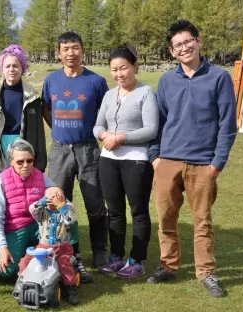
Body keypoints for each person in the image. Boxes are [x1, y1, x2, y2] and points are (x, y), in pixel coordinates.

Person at [147, 20, 237, 297]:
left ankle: (206, 273)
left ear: (198, 41)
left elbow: (227, 125)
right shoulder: (166, 81)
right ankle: (169, 266)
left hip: (202, 164)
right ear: (172, 51)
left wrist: (216, 164)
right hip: (168, 162)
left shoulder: (219, 78)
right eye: (177, 45)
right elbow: (158, 122)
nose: (184, 48)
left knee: (202, 222)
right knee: (166, 220)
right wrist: (155, 157)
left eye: (188, 41)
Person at [41, 31, 109, 275]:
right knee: (59, 202)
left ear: (82, 50)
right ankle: (68, 250)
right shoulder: (51, 81)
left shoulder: (96, 81)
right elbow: (46, 108)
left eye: (75, 48)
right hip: (60, 150)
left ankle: (100, 249)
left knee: (95, 202)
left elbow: (106, 112)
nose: (71, 53)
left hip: (88, 149)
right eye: (66, 48)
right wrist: (60, 130)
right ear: (59, 53)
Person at [93, 46, 158, 279]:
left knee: (138, 211)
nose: (119, 74)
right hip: (108, 160)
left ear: (134, 67)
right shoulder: (109, 95)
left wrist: (121, 138)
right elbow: (98, 125)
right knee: (115, 212)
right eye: (114, 69)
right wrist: (104, 136)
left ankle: (137, 260)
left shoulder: (146, 93)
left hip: (136, 161)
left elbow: (151, 129)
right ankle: (116, 256)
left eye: (123, 68)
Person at [0, 139, 79, 280]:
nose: (25, 165)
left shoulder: (41, 176)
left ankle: (72, 255)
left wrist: (62, 205)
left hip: (38, 225)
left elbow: (59, 197)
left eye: (29, 161)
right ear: (11, 162)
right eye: (20, 162)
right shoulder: (1, 181)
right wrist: (2, 247)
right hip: (15, 227)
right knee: (7, 271)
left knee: (69, 220)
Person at [0, 44, 47, 178]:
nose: (11, 69)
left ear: (22, 68)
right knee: (0, 194)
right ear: (2, 68)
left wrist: (39, 162)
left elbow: (39, 133)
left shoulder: (32, 97)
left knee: (23, 194)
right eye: (8, 66)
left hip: (24, 150)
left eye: (16, 66)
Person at [17, 186, 79, 305]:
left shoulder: (68, 208)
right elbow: (32, 208)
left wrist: (60, 205)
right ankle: (22, 282)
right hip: (43, 246)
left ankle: (70, 287)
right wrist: (43, 201)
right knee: (25, 261)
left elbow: (70, 220)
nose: (54, 196)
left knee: (64, 264)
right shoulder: (42, 211)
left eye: (58, 194)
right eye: (50, 194)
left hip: (62, 247)